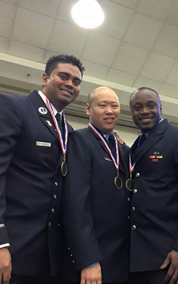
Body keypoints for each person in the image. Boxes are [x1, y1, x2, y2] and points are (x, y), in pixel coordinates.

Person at [0, 54, 85, 284]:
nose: (70, 84)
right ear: (45, 78)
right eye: (64, 76)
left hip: (46, 261)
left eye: (76, 82)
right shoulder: (11, 106)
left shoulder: (67, 129)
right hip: (3, 254)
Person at [128, 87, 178, 284]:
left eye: (151, 106)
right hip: (137, 256)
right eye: (137, 107)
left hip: (169, 257)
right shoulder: (135, 146)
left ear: (161, 107)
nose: (144, 111)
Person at [62, 86, 130, 284]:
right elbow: (76, 205)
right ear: (88, 109)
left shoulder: (122, 149)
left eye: (114, 106)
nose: (109, 111)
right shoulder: (79, 141)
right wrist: (88, 260)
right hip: (94, 256)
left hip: (121, 256)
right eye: (102, 105)